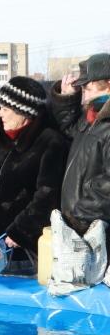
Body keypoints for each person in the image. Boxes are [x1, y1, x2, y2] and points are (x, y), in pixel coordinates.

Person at [0, 77, 66, 274]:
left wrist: (20, 231)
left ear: (24, 112)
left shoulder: (50, 142)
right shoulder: (4, 142)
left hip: (24, 251)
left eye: (5, 109)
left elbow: (47, 196)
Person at [50, 52, 110, 236]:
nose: (84, 98)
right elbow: (71, 130)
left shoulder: (105, 122)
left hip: (95, 230)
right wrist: (67, 99)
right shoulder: (93, 117)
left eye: (88, 90)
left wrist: (80, 217)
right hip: (81, 225)